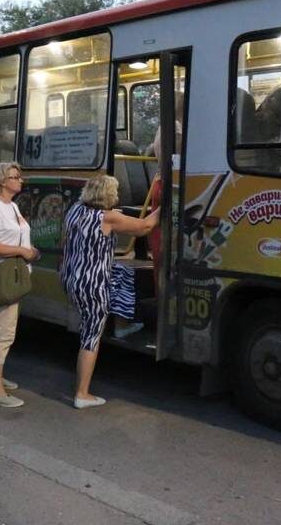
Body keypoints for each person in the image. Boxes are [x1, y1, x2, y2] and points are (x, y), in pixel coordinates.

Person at [60, 175, 159, 409]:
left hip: (72, 278)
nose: (118, 195)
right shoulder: (107, 217)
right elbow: (144, 227)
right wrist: (166, 204)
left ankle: (124, 324)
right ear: (108, 195)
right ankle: (82, 394)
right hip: (92, 285)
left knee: (119, 279)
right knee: (90, 338)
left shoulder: (75, 209)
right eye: (115, 191)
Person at [0, 162, 40, 408]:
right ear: (2, 181)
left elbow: (19, 231)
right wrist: (22, 251)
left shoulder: (11, 206)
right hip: (2, 275)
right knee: (2, 333)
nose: (21, 180)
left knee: (4, 330)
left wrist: (29, 251)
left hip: (14, 274)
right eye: (16, 177)